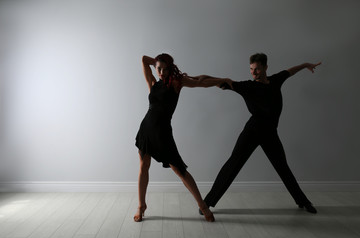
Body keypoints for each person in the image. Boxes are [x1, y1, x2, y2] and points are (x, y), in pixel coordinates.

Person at [200, 53, 321, 214]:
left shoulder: (276, 80)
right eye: (251, 69)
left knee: (282, 167)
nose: (253, 72)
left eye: (257, 69)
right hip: (253, 131)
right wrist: (196, 79)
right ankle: (206, 203)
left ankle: (303, 201)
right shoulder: (248, 86)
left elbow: (291, 71)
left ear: (265, 68)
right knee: (233, 165)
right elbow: (221, 82)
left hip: (270, 133)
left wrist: (306, 64)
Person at [134, 53, 231, 222]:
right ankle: (141, 206)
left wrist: (220, 80)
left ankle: (203, 206)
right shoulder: (153, 84)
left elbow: (200, 82)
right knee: (144, 166)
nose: (161, 72)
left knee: (180, 170)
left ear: (170, 69)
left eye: (165, 69)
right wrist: (159, 62)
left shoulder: (177, 83)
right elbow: (143, 59)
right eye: (158, 69)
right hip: (146, 130)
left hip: (163, 133)